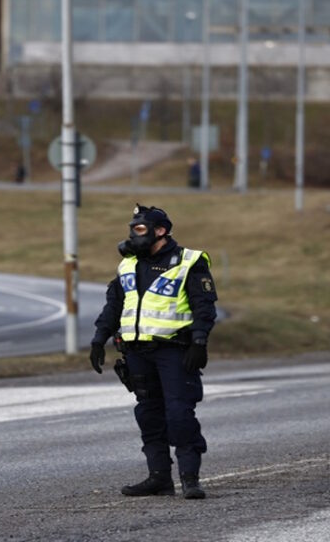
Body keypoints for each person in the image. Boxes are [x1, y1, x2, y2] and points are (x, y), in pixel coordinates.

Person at [89, 204, 217, 500]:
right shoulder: (128, 264)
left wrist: (199, 342)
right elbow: (114, 306)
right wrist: (98, 339)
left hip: (174, 351)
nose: (134, 235)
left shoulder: (188, 262)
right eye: (132, 229)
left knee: (179, 414)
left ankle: (190, 478)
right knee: (148, 415)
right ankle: (159, 478)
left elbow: (204, 307)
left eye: (140, 229)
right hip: (137, 352)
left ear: (161, 231)